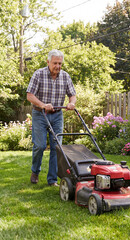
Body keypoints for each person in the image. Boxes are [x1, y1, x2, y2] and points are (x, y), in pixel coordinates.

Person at [26, 49, 76, 186]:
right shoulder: (38, 74)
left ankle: (52, 180)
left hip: (57, 115)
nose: (58, 66)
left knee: (57, 147)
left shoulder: (65, 76)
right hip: (40, 114)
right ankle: (35, 171)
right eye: (55, 63)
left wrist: (71, 103)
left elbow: (72, 94)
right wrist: (43, 105)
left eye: (60, 63)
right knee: (40, 146)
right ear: (48, 62)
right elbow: (29, 95)